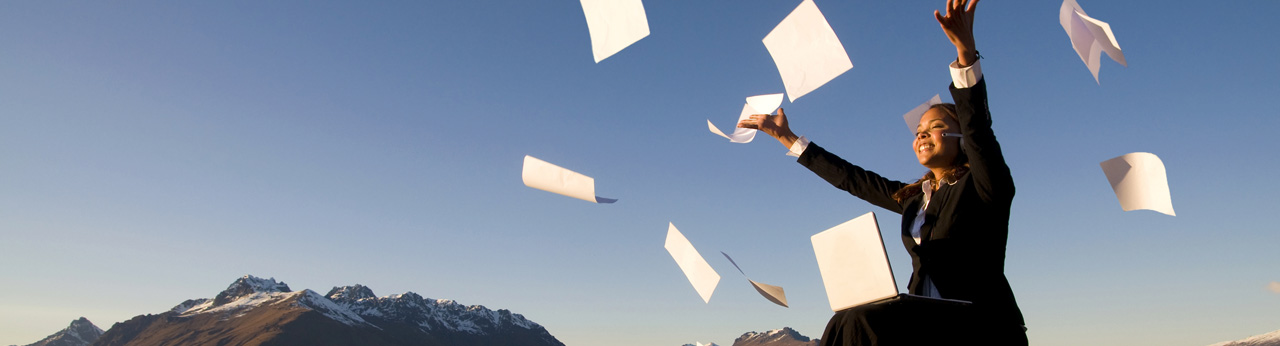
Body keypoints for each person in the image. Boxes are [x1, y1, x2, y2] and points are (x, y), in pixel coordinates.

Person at [737, 0, 1027, 344]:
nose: (921, 134)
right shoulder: (915, 199)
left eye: (935, 127)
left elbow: (978, 128)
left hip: (979, 322)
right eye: (918, 129)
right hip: (925, 321)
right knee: (845, 319)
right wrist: (787, 137)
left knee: (862, 320)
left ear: (961, 139)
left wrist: (965, 54)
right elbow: (853, 179)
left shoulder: (984, 187)